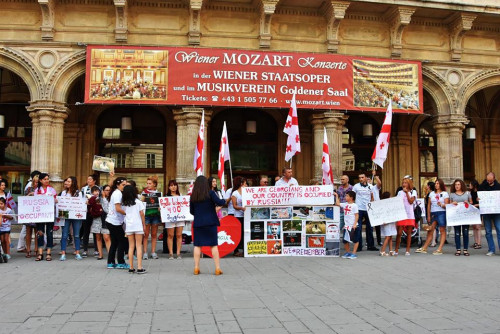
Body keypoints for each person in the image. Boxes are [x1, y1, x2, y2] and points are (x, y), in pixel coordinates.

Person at [189, 175, 226, 275]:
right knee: (213, 245)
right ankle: (217, 268)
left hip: (198, 223)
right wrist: (224, 199)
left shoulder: (193, 195)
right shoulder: (211, 193)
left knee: (197, 246)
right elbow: (219, 202)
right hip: (210, 223)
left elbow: (191, 211)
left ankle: (196, 268)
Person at [416, 178, 449, 255]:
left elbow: (447, 204)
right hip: (433, 213)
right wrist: (428, 215)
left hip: (442, 212)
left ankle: (440, 248)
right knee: (430, 230)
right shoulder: (432, 194)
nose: (436, 185)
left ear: (441, 184)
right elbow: (429, 205)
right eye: (435, 183)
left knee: (442, 230)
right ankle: (424, 248)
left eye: (438, 183)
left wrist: (442, 205)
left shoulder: (445, 194)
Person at [59, 176, 85, 261]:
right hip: (66, 214)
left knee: (76, 234)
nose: (67, 183)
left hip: (75, 215)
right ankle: (63, 253)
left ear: (73, 183)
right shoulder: (63, 193)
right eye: (67, 182)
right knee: (64, 234)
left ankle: (77, 252)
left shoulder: (79, 193)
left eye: (69, 182)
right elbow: (61, 203)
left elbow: (81, 204)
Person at [106, 177, 129, 269]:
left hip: (113, 220)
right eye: (123, 185)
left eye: (125, 185)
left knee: (115, 242)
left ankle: (110, 262)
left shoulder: (118, 193)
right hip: (114, 221)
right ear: (118, 185)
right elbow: (118, 208)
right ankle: (120, 262)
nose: (125, 186)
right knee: (122, 241)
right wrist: (128, 214)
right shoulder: (117, 194)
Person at [122, 185, 146, 274]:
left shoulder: (125, 204)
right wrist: (144, 224)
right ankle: (139, 267)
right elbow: (142, 214)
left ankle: (131, 267)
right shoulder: (138, 202)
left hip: (129, 226)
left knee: (131, 246)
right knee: (138, 245)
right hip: (138, 225)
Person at [34, 173, 57, 261]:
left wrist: (55, 200)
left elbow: (55, 200)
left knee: (49, 233)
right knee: (40, 233)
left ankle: (48, 252)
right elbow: (34, 201)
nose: (47, 180)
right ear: (40, 180)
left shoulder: (52, 190)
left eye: (47, 179)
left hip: (50, 214)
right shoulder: (37, 190)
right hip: (40, 215)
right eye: (45, 179)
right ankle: (40, 253)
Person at [352, 172, 378, 251]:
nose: (360, 179)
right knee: (358, 228)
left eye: (362, 177)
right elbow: (353, 196)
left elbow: (373, 197)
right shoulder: (356, 186)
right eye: (359, 177)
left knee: (370, 228)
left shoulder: (371, 186)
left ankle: (370, 245)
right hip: (359, 208)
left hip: (368, 208)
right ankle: (358, 246)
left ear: (366, 178)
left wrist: (372, 202)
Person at [394, 177, 417, 256]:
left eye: (405, 183)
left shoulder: (413, 191)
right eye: (403, 183)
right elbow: (396, 202)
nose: (404, 184)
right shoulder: (400, 192)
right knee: (399, 233)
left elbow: (411, 201)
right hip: (401, 214)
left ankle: (408, 250)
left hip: (409, 214)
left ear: (409, 184)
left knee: (409, 233)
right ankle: (396, 249)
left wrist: (407, 193)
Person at [478, 172, 500, 256]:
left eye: (490, 180)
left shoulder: (498, 186)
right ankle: (491, 249)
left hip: (497, 212)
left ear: (494, 179)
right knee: (488, 231)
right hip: (486, 212)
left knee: (499, 229)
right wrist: (478, 198)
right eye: (487, 180)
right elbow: (478, 198)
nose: (489, 182)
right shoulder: (482, 186)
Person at [450, 179, 473, 256]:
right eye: (456, 184)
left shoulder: (467, 193)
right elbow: (450, 205)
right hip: (456, 216)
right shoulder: (452, 194)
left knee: (465, 232)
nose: (457, 186)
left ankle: (465, 249)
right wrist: (453, 203)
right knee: (457, 233)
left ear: (462, 185)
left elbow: (471, 203)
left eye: (458, 184)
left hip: (465, 216)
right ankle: (458, 249)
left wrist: (468, 203)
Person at [141, 176, 162, 260]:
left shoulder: (158, 193)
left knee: (154, 234)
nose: (148, 185)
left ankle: (153, 252)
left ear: (154, 184)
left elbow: (161, 203)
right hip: (147, 215)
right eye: (147, 183)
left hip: (155, 215)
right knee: (145, 234)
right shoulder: (144, 192)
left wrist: (160, 207)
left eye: (150, 183)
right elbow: (141, 203)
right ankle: (145, 252)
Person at [81, 174, 100, 258]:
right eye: (88, 179)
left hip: (95, 212)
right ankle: (85, 249)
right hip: (86, 211)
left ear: (94, 181)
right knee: (86, 230)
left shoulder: (98, 188)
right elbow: (81, 198)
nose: (88, 181)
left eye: (90, 179)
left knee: (96, 231)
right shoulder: (84, 189)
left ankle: (96, 249)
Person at [165, 180, 185, 260]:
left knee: (179, 235)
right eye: (172, 185)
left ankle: (178, 253)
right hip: (170, 218)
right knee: (170, 235)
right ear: (169, 187)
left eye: (175, 185)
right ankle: (170, 253)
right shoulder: (166, 197)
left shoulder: (181, 196)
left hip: (180, 218)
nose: (173, 187)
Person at [337, 191, 359, 259]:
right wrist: (336, 195)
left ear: (351, 197)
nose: (345, 197)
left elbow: (356, 215)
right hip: (346, 226)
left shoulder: (354, 205)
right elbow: (337, 203)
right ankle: (348, 252)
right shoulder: (345, 204)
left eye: (347, 196)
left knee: (355, 240)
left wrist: (355, 224)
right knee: (345, 240)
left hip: (353, 225)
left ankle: (354, 253)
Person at [89, 186, 108, 260]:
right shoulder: (94, 199)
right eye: (94, 191)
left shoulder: (105, 198)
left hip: (105, 219)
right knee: (98, 237)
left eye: (97, 191)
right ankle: (100, 254)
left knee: (106, 237)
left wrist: (103, 198)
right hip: (96, 219)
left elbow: (106, 209)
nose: (96, 192)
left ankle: (110, 254)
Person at [231, 176, 247, 257]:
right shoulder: (235, 193)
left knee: (245, 233)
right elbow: (234, 206)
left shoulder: (246, 192)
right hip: (238, 216)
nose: (246, 185)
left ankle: (245, 250)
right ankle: (236, 250)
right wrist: (241, 208)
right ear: (241, 184)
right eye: (245, 183)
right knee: (238, 234)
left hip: (246, 216)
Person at [379, 192, 396, 256]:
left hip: (391, 221)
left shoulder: (390, 204)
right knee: (388, 236)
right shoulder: (383, 205)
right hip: (386, 222)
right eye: (390, 196)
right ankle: (382, 250)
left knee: (390, 236)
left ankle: (391, 250)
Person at [468, 179, 481, 249]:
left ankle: (479, 243)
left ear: (474, 185)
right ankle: (476, 242)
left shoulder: (479, 192)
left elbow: (482, 203)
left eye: (470, 184)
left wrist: (476, 205)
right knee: (474, 227)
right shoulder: (470, 193)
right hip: (472, 210)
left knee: (478, 227)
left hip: (478, 210)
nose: (469, 185)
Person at [99, 185, 112, 253]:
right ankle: (110, 254)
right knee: (106, 238)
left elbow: (108, 210)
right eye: (106, 190)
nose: (108, 192)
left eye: (109, 190)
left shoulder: (112, 198)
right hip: (104, 220)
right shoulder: (100, 198)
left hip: (112, 220)